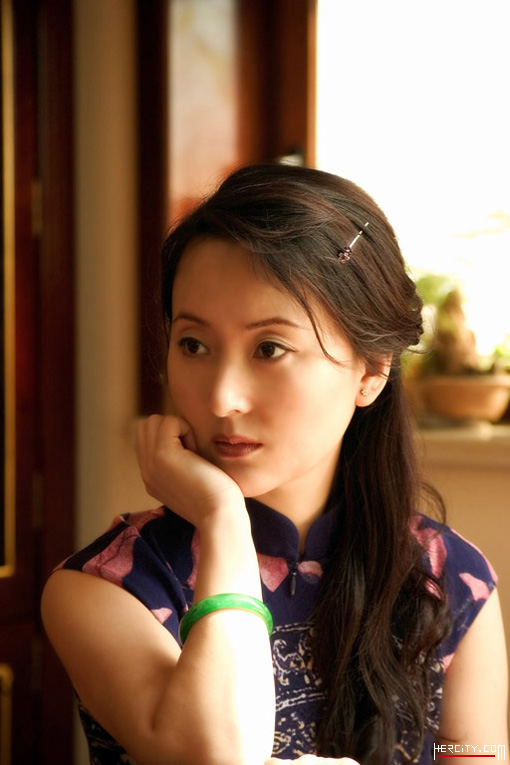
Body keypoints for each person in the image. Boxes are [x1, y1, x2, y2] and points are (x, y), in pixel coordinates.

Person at [42, 164, 508, 765]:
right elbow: (215, 753)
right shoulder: (108, 587)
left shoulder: (452, 580)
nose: (222, 398)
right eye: (194, 344)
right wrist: (222, 519)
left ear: (372, 370)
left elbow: (477, 753)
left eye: (269, 348)